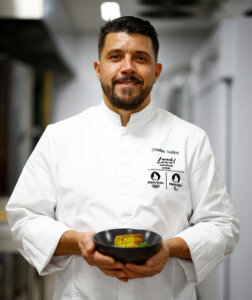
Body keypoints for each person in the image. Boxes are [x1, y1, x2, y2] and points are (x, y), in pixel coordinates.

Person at [6, 16, 239, 300]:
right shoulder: (60, 137)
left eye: (140, 58)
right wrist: (78, 242)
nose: (127, 67)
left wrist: (171, 248)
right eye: (115, 57)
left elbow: (222, 226)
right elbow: (25, 217)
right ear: (98, 68)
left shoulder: (190, 139)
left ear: (156, 71)